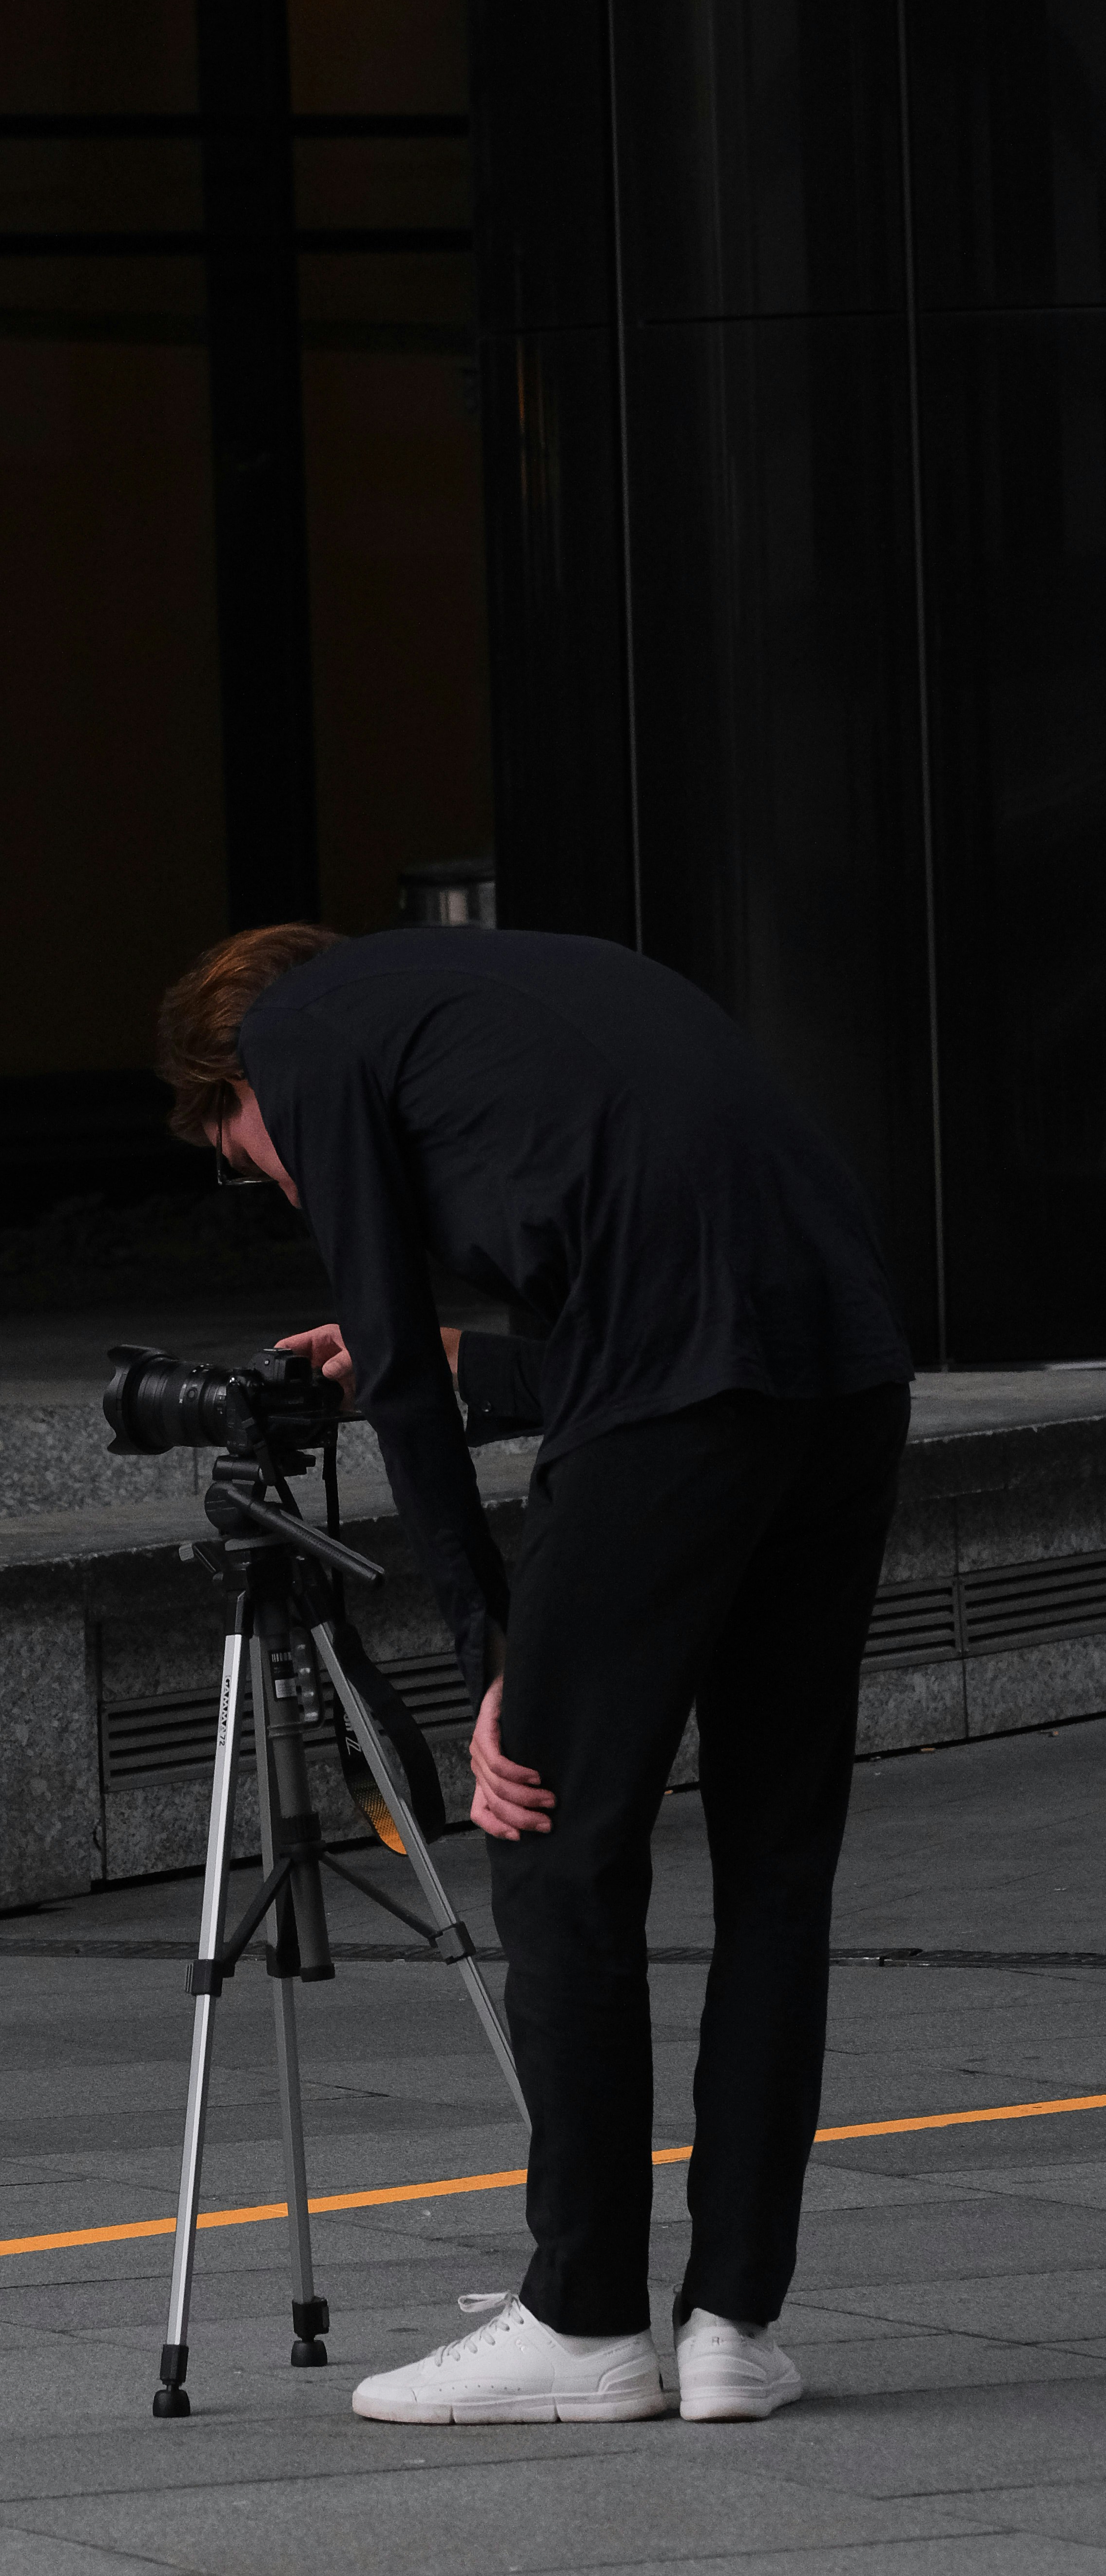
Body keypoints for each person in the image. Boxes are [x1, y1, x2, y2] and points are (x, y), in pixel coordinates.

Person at [155, 919, 912, 2425]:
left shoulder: (302, 1044)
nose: (272, 1173)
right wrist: (440, 1358)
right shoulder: (515, 999)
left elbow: (416, 1392)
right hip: (843, 1375)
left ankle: (579, 2319)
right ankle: (733, 2331)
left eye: (243, 1154)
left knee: (550, 1841)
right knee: (774, 1861)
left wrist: (488, 1648)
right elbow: (667, 1327)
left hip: (684, 1404)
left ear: (233, 1073)